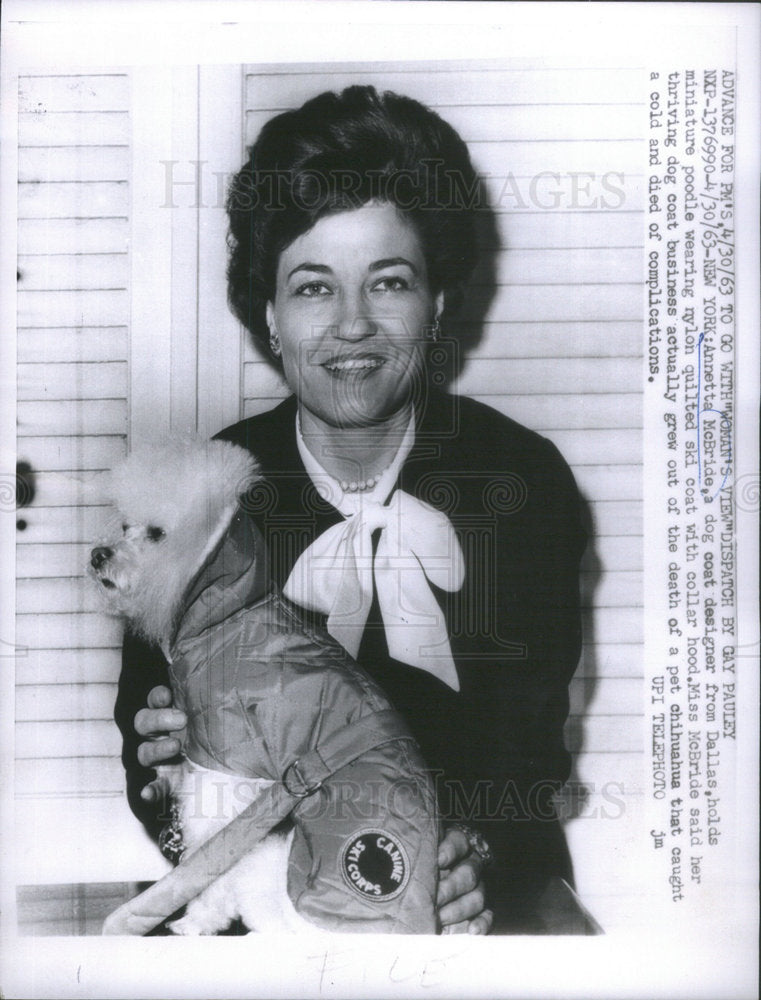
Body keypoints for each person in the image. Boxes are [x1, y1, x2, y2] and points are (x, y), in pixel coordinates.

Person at [115, 85, 586, 935]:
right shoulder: (203, 490)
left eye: (389, 282)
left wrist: (471, 861)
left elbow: (529, 753)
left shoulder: (524, 482)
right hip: (269, 888)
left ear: (437, 300)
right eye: (312, 288)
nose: (353, 326)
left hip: (476, 885)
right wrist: (168, 767)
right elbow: (143, 747)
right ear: (267, 311)